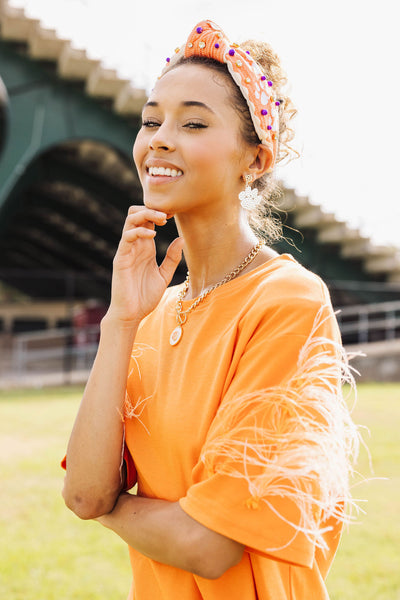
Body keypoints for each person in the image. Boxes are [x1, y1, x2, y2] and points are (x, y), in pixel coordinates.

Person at [62, 20, 360, 600]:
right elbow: (83, 490)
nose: (160, 139)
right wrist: (121, 321)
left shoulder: (287, 301)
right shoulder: (147, 314)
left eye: (193, 122)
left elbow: (208, 545)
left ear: (255, 158)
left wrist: (110, 507)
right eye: (151, 120)